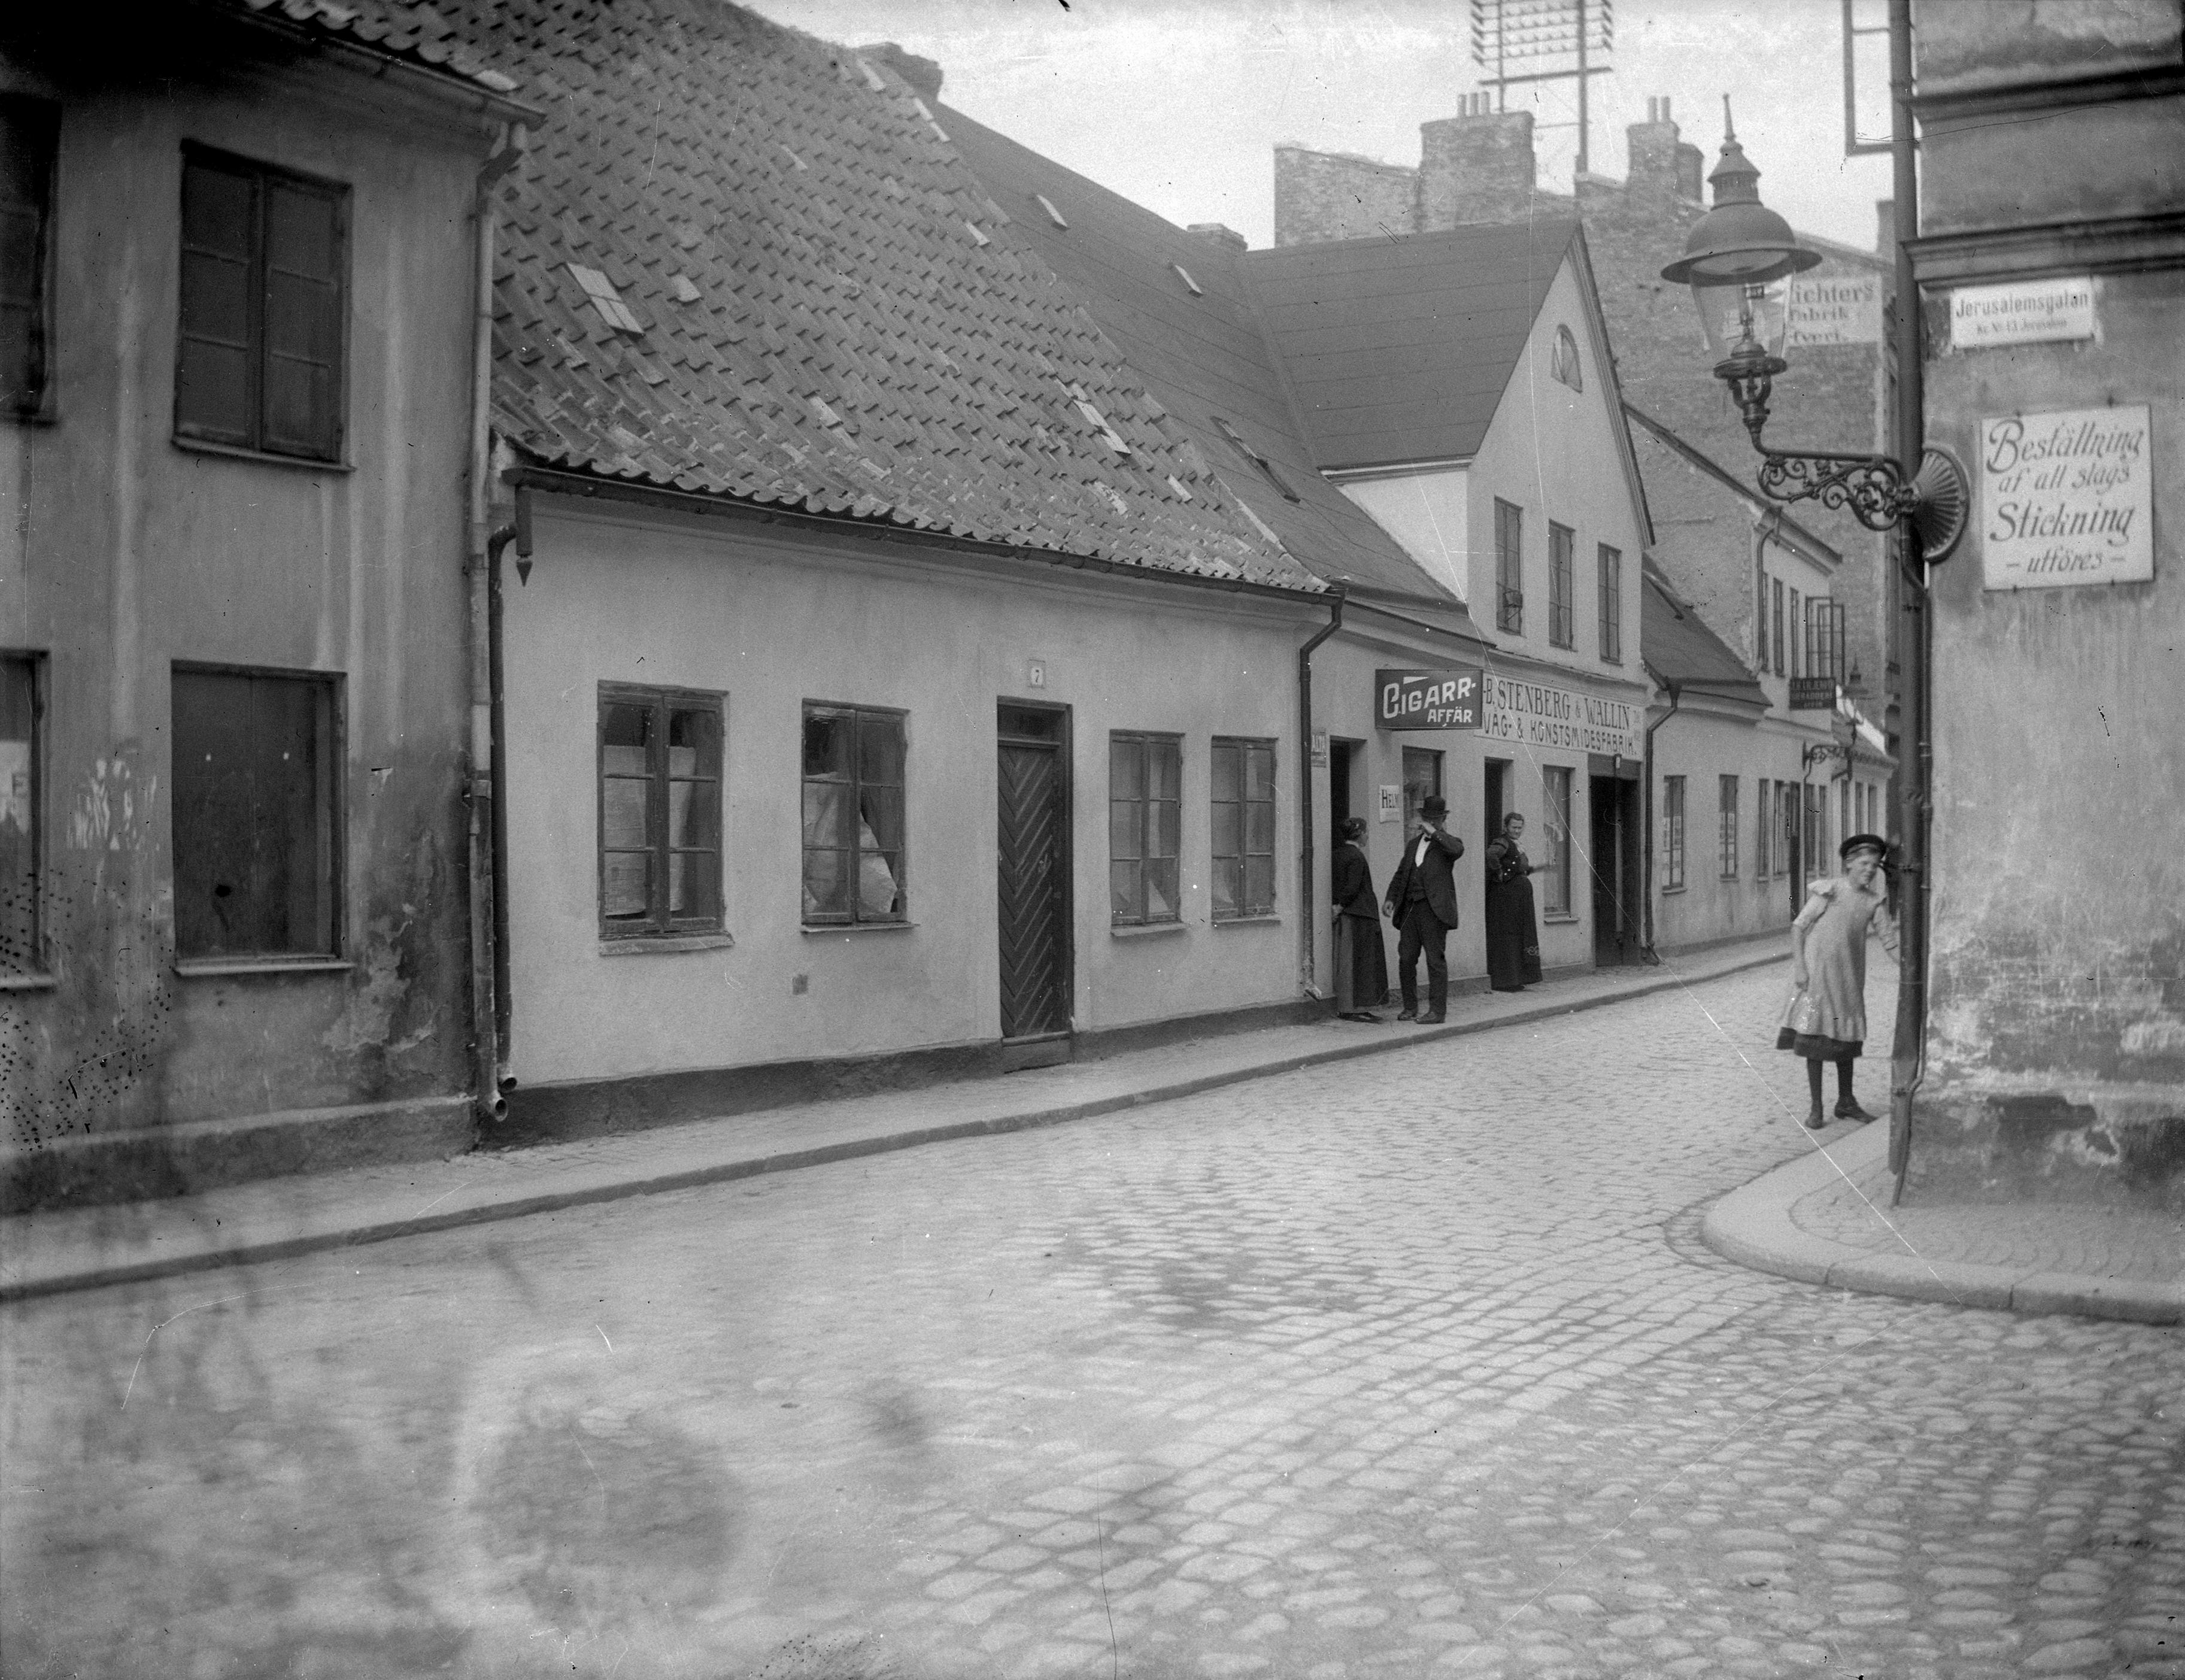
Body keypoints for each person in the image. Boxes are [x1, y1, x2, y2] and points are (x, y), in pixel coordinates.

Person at [1779, 833, 1901, 1129]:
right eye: (1864, 864)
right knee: (1815, 1038)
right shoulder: (1830, 891)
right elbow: (1799, 927)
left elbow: (1889, 941)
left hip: (1848, 980)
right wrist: (1800, 968)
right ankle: (1816, 1108)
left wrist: (1909, 966)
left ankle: (1846, 1101)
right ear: (1848, 864)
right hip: (1817, 979)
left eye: (1874, 865)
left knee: (1846, 1039)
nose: (1869, 870)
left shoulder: (1874, 901)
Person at [1382, 794, 1464, 1024]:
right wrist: (1391, 898)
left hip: (1433, 910)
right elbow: (1401, 874)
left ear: (1443, 820)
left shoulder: (1448, 843)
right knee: (1406, 959)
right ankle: (1410, 1007)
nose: (1431, 822)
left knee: (1435, 961)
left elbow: (1457, 850)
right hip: (1410, 908)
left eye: (1436, 819)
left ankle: (1437, 1012)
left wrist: (1435, 833)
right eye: (1427, 818)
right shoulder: (1412, 845)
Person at [1330, 817, 1388, 1022]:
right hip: (1360, 916)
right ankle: (1354, 1008)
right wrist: (1341, 906)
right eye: (1366, 832)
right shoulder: (1356, 857)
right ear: (1359, 834)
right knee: (1360, 964)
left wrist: (1338, 907)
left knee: (1347, 962)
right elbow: (1352, 888)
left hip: (1348, 915)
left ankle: (1349, 1006)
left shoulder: (1337, 854)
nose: (1367, 836)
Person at [1482, 811, 1544, 993]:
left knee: (1519, 935)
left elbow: (1517, 867)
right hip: (1507, 899)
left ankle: (1518, 979)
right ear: (1506, 827)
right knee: (1509, 936)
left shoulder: (1516, 844)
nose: (1517, 831)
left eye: (1520, 828)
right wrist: (1500, 873)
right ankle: (1506, 981)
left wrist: (1532, 869)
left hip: (1519, 899)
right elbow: (1491, 855)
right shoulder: (1503, 843)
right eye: (1514, 827)